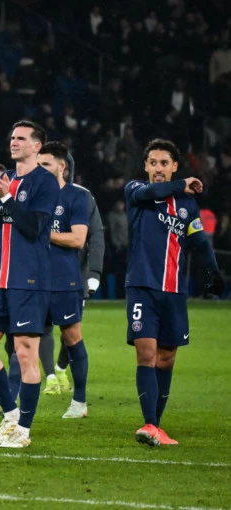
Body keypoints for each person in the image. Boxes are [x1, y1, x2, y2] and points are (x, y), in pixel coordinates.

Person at [124, 138, 222, 446]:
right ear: (145, 166)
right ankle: (150, 424)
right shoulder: (136, 190)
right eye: (153, 162)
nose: (157, 168)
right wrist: (182, 183)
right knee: (147, 353)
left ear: (174, 166)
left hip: (174, 292)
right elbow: (151, 193)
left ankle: (156, 427)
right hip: (142, 287)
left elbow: (199, 241)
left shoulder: (186, 205)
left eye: (164, 163)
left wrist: (213, 274)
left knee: (166, 358)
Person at [0, 120, 59, 448]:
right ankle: (10, 415)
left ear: (37, 146)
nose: (14, 142)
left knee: (25, 354)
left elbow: (33, 227)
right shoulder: (6, 177)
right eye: (12, 137)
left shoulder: (45, 182)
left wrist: (6, 196)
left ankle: (24, 430)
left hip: (29, 281)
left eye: (21, 138)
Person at [34, 142, 90, 418]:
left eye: (46, 164)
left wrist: (42, 233)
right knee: (23, 339)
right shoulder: (32, 196)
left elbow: (78, 239)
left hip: (64, 281)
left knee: (72, 338)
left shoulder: (76, 196)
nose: (41, 170)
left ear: (62, 166)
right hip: (33, 280)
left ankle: (79, 402)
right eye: (38, 165)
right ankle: (8, 401)